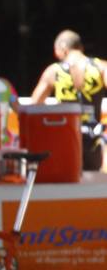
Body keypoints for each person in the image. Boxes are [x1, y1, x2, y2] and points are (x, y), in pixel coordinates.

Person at [29, 29, 107, 172]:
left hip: (65, 139)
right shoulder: (101, 67)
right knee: (93, 188)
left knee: (68, 185)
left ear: (61, 50)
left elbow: (34, 107)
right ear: (81, 48)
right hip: (93, 140)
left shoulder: (53, 71)